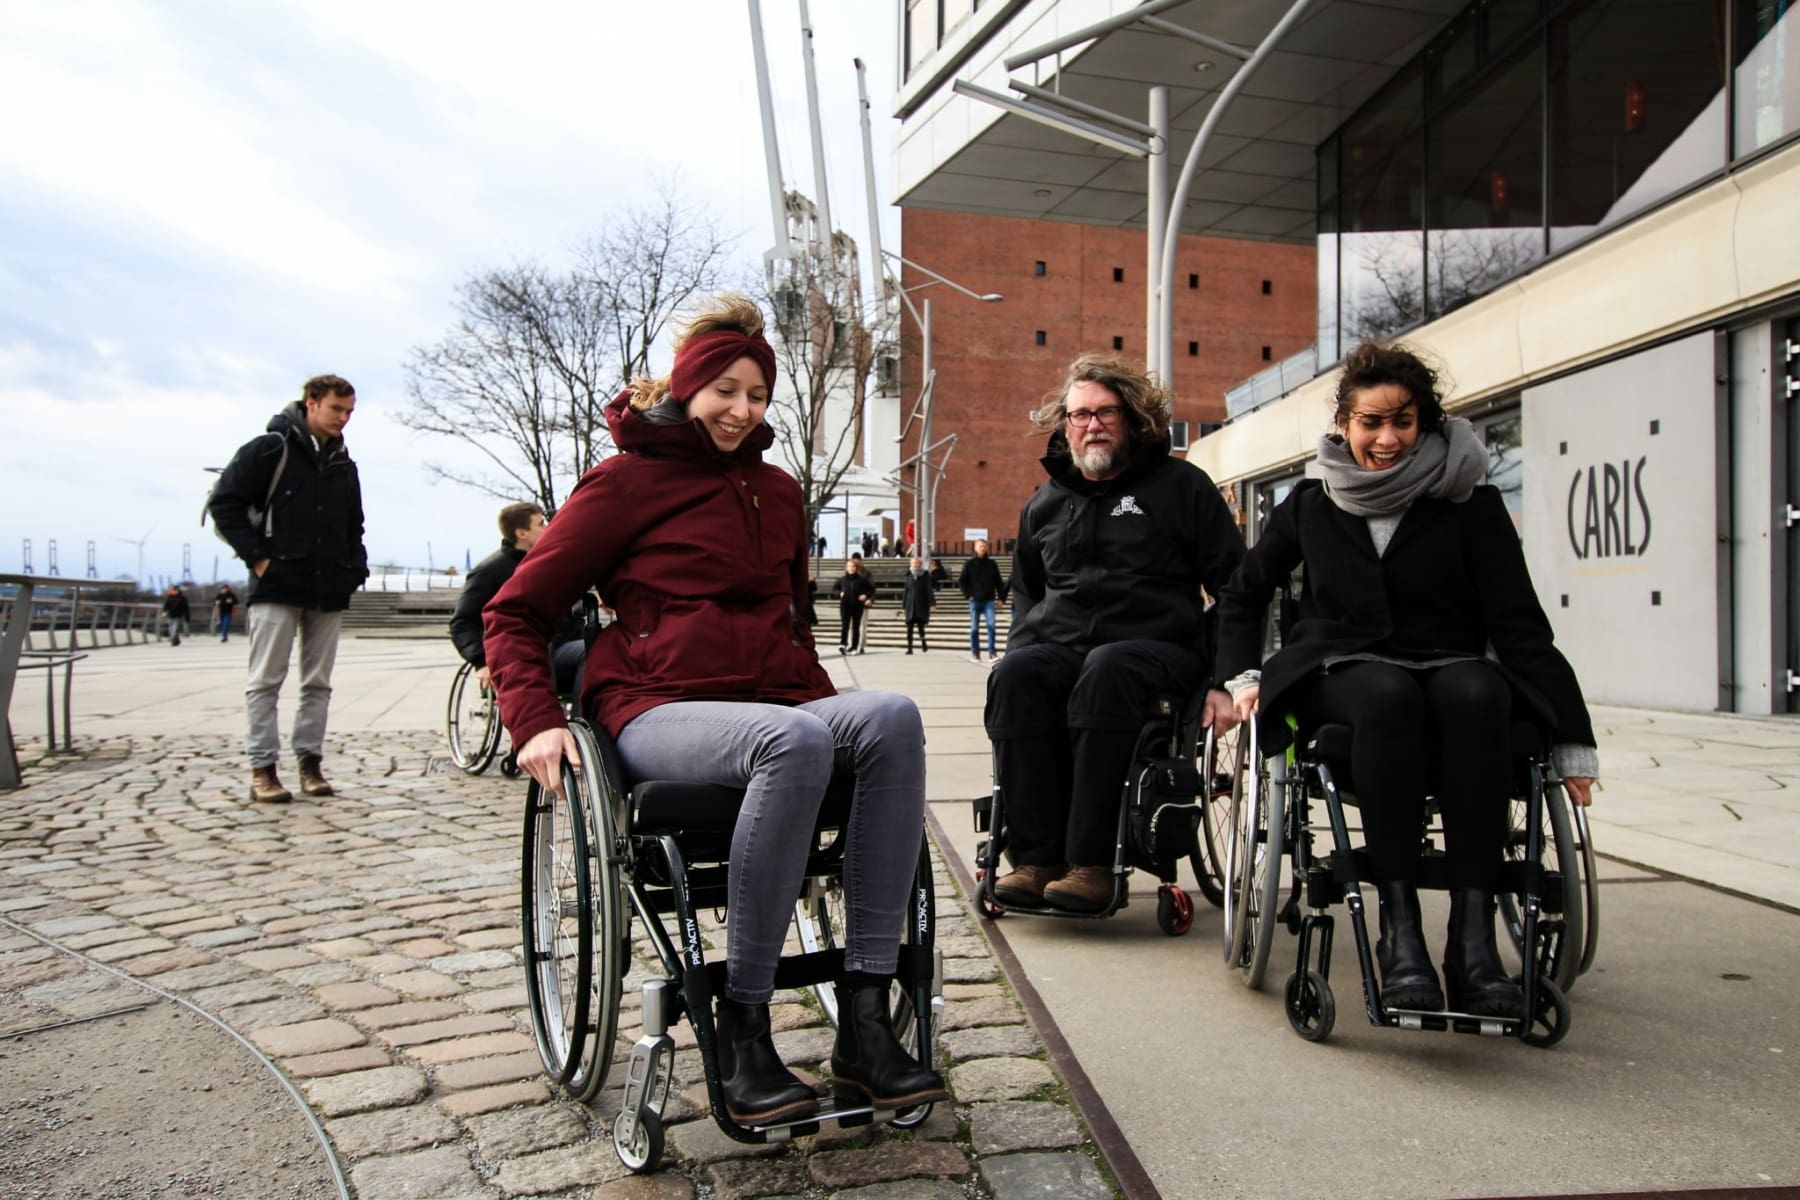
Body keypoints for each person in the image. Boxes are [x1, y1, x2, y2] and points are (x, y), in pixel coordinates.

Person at [483, 294, 945, 1125]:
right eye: (725, 391)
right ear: (689, 386)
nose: (741, 410)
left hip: (774, 701)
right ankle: (745, 1025)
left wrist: (827, 703)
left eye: (758, 396)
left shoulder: (777, 488)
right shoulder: (624, 484)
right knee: (794, 742)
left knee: (891, 719)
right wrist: (534, 718)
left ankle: (867, 1022)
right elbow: (514, 611)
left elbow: (792, 623)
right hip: (658, 705)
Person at [1215, 342, 1598, 1019]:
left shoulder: (1469, 503)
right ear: (1344, 425)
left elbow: (1519, 625)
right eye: (1370, 423)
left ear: (1425, 423)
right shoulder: (1309, 503)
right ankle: (1402, 936)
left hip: (1450, 660)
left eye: (1403, 422)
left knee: (1478, 692)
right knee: (1386, 695)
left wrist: (1571, 740)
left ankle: (1472, 946)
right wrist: (1243, 676)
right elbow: (1244, 596)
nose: (1387, 439)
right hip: (1343, 667)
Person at [985, 353, 1245, 912]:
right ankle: (1036, 859)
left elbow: (1235, 588)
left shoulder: (1183, 488)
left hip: (1158, 653)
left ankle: (1092, 863)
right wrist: (1020, 647)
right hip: (1065, 649)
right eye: (1079, 415)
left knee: (1108, 667)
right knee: (1016, 675)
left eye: (1106, 412)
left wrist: (1224, 680)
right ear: (1064, 425)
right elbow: (1028, 588)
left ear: (1133, 418)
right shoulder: (1045, 502)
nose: (1092, 425)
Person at [209, 373, 368, 804]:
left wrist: (356, 566)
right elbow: (223, 502)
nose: (343, 419)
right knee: (266, 680)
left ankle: (309, 764)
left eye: (350, 412)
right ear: (311, 402)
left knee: (318, 683)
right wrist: (259, 558)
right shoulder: (270, 449)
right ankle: (263, 768)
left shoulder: (343, 464)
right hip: (278, 584)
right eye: (337, 409)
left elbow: (354, 524)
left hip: (328, 584)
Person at [449, 503, 584, 695]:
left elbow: (572, 609)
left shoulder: (551, 564)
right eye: (541, 524)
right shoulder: (489, 572)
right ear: (522, 533)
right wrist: (481, 661)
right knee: (588, 651)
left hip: (559, 647)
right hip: (522, 655)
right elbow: (462, 622)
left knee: (607, 647)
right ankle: (582, 722)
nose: (548, 528)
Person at [957, 539, 1007, 663]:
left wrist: (1001, 598)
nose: (983, 548)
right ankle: (976, 653)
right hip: (974, 601)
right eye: (980, 546)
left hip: (989, 600)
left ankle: (992, 653)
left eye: (984, 546)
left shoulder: (992, 564)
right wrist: (967, 595)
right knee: (974, 628)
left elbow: (999, 582)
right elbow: (962, 581)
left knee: (991, 626)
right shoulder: (969, 564)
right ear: (975, 548)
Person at [831, 554, 877, 655]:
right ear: (846, 568)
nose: (851, 568)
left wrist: (865, 595)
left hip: (857, 606)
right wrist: (839, 593)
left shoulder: (861, 579)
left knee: (856, 627)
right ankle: (843, 644)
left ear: (856, 568)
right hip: (845, 605)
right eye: (849, 567)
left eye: (853, 567)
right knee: (845, 625)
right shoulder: (842, 579)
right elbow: (834, 589)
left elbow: (872, 589)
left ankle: (854, 646)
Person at [901, 555, 936, 654]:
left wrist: (932, 603)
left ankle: (923, 642)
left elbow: (929, 590)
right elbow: (905, 591)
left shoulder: (925, 575)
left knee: (921, 627)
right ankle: (910, 648)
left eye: (916, 563)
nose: (915, 565)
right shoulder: (908, 575)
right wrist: (903, 606)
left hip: (921, 605)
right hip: (910, 605)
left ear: (920, 564)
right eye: (912, 563)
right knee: (909, 628)